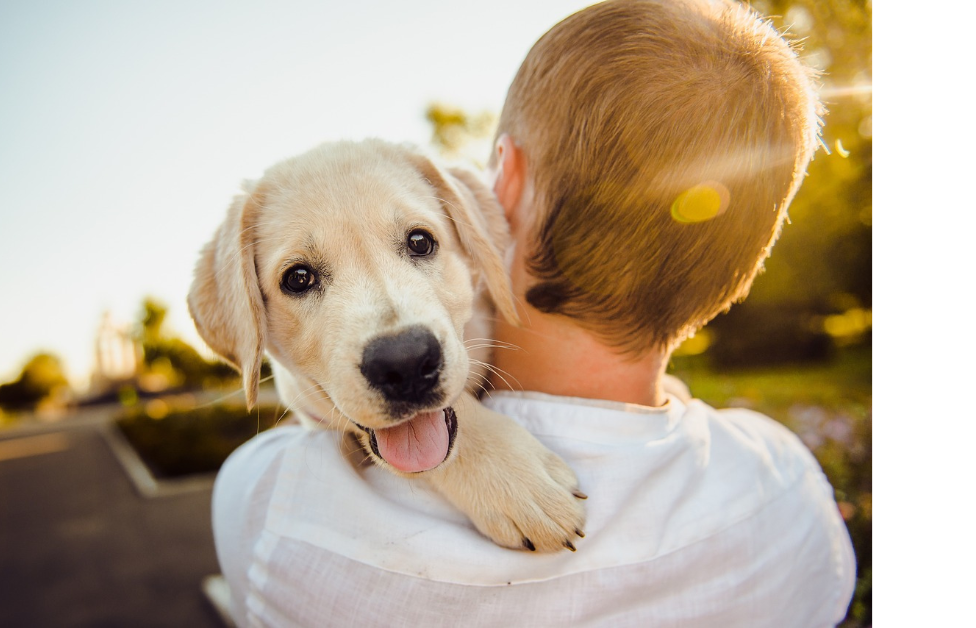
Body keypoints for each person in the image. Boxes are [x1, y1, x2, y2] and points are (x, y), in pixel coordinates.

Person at [210, 0, 856, 625]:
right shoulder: (788, 486)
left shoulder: (272, 507)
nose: (397, 337)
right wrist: (466, 440)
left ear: (502, 187)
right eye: (301, 278)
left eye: (418, 243)